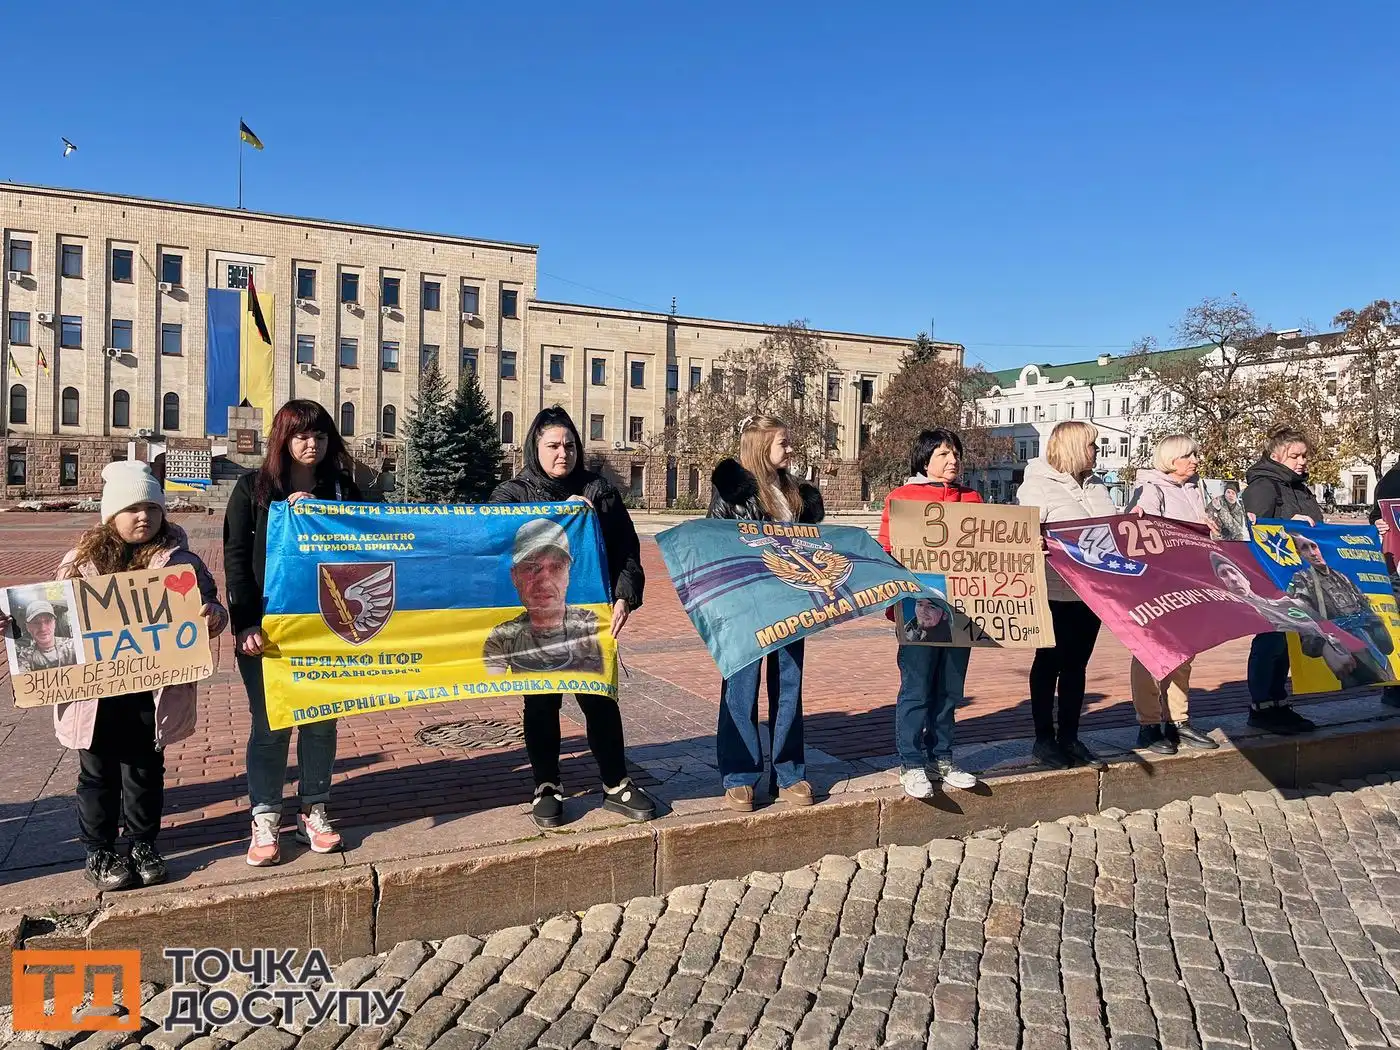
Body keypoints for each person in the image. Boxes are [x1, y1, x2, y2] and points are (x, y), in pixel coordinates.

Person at [0, 462, 227, 890]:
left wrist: (212, 615)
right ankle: (99, 849)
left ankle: (143, 842)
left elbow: (211, 606)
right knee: (97, 772)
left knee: (144, 769)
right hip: (94, 694)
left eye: (152, 508)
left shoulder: (182, 563)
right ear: (111, 515)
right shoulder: (79, 563)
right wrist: (14, 625)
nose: (144, 517)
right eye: (132, 508)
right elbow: (50, 620)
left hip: (151, 689)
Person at [490, 407, 655, 829]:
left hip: (587, 618)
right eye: (552, 446)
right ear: (535, 447)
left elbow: (626, 549)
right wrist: (558, 516)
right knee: (541, 702)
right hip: (533, 623)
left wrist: (624, 596)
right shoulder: (512, 493)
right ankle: (546, 784)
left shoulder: (599, 491)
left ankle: (616, 782)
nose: (562, 453)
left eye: (569, 445)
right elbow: (492, 538)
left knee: (598, 699)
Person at [225, 399, 361, 866]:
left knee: (321, 719)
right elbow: (237, 561)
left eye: (320, 435)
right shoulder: (252, 491)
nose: (311, 444)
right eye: (301, 435)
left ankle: (313, 810)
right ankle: (264, 816)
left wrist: (325, 512)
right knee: (270, 724)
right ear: (282, 439)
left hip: (327, 625)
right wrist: (245, 622)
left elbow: (376, 534)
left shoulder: (343, 489)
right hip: (268, 632)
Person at [708, 415, 824, 812]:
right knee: (740, 690)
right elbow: (716, 549)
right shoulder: (733, 493)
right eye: (783, 443)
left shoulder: (796, 494)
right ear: (761, 446)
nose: (791, 450)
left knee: (788, 687)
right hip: (744, 607)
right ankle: (739, 776)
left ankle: (789, 772)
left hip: (791, 604)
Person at [876, 428, 981, 797]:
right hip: (917, 609)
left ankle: (943, 757)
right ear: (925, 460)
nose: (952, 461)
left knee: (950, 689)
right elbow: (886, 551)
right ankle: (911, 762)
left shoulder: (973, 499)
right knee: (917, 688)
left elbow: (993, 548)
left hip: (963, 609)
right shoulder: (902, 499)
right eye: (943, 454)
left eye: (955, 454)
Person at [1015, 420, 1117, 770]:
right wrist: (1033, 542)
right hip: (1053, 590)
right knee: (1049, 662)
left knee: (1077, 665)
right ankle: (1044, 739)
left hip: (1093, 591)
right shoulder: (1037, 487)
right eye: (1091, 445)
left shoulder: (1098, 487)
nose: (1097, 451)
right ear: (1073, 448)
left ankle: (1070, 736)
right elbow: (1020, 535)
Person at [1126, 435, 1219, 756]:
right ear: (1170, 459)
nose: (1195, 460)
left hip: (1193, 579)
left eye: (1196, 453)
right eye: (1188, 455)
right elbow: (1142, 528)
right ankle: (1148, 724)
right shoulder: (1151, 489)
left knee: (1184, 652)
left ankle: (1178, 719)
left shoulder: (1198, 489)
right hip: (1159, 583)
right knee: (1151, 653)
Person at [1240, 427, 1324, 735]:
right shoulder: (1263, 486)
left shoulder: (1299, 487)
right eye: (1295, 455)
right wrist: (1288, 525)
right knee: (1271, 640)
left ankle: (1277, 702)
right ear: (1276, 455)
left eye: (1304, 455)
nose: (1302, 461)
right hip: (1270, 576)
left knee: (1288, 641)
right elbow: (1249, 530)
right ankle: (1261, 706)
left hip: (1297, 576)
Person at [1211, 552, 1365, 684]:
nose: (1232, 579)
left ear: (1246, 578)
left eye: (1233, 571)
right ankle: (1265, 706)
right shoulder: (1245, 608)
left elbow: (1312, 620)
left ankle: (1277, 704)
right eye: (1223, 574)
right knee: (1271, 641)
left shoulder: (1282, 601)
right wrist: (1324, 647)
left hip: (1342, 654)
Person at [483, 519, 605, 675]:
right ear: (515, 576)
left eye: (556, 567)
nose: (545, 581)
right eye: (532, 567)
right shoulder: (504, 637)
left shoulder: (593, 627)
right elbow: (490, 679)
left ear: (568, 574)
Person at [1284, 531, 1393, 685]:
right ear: (1298, 554)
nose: (1313, 553)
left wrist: (1378, 627)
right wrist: (1324, 647)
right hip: (1342, 644)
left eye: (1313, 546)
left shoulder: (1341, 576)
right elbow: (1302, 616)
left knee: (1387, 676)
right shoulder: (1302, 579)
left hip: (1369, 640)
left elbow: (1363, 603)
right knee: (1359, 691)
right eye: (1305, 548)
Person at [14, 600, 78, 671]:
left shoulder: (72, 646)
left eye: (48, 621)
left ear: (54, 623)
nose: (43, 629)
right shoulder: (25, 656)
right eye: (36, 623)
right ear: (28, 627)